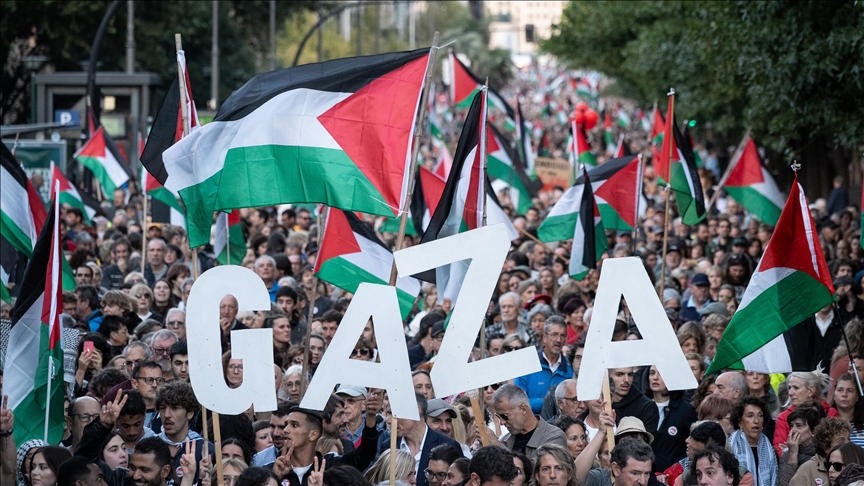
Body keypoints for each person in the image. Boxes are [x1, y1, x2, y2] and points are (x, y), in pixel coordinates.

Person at [381, 393, 463, 486]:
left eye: (395, 414)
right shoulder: (388, 446)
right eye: (388, 414)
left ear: (416, 411)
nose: (389, 421)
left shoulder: (449, 445)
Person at [154, 381, 215, 484]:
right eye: (163, 408)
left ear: (190, 413)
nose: (167, 415)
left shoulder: (205, 450)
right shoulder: (150, 446)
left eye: (175, 408)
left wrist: (203, 478)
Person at [492, 384, 567, 462]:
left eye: (504, 416)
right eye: (498, 416)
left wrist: (497, 446)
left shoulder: (554, 437)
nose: (501, 422)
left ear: (523, 409)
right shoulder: (505, 440)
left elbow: (538, 468)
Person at [514, 317, 573, 414]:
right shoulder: (527, 364)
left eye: (562, 335)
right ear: (544, 337)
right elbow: (516, 402)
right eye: (554, 334)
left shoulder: (569, 368)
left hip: (561, 422)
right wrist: (545, 402)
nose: (558, 340)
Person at [647, 365, 698, 472]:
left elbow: (690, 446)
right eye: (652, 373)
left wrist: (672, 471)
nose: (655, 377)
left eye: (661, 373)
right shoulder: (642, 406)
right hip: (644, 472)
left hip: (673, 474)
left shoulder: (686, 410)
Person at [774, 368, 836, 455]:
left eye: (796, 388)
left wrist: (792, 449)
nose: (790, 392)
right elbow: (779, 451)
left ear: (811, 390)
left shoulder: (830, 413)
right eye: (789, 388)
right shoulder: (783, 417)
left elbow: (833, 447)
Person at [728, 396, 776, 486]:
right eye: (750, 416)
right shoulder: (730, 447)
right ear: (740, 422)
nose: (756, 421)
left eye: (760, 416)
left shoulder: (768, 447)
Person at [790, 417, 852, 485]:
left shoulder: (853, 465)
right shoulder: (806, 471)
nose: (848, 444)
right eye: (841, 441)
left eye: (848, 439)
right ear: (826, 448)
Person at [610, 367, 660, 439]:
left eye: (630, 374)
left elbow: (647, 443)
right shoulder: (598, 404)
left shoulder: (647, 407)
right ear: (608, 376)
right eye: (620, 374)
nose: (626, 380)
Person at [777, 406, 821, 486]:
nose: (793, 430)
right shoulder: (787, 455)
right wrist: (793, 454)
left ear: (813, 430)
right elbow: (784, 484)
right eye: (791, 426)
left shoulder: (823, 454)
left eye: (799, 426)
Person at [832, 373, 864, 448]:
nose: (844, 394)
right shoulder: (824, 422)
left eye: (849, 390)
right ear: (834, 396)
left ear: (857, 397)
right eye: (840, 390)